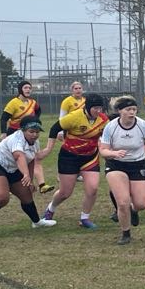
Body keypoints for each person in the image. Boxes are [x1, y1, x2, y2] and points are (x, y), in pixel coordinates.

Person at [0, 116, 57, 239]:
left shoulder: (35, 143)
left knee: (26, 195)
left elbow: (31, 160)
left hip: (13, 168)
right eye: (31, 131)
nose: (34, 135)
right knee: (2, 197)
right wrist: (25, 175)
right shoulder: (16, 139)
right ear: (23, 130)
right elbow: (19, 156)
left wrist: (30, 179)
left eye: (37, 132)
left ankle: (37, 222)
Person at [98, 96, 145, 245]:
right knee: (122, 202)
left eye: (134, 109)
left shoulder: (143, 125)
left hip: (138, 164)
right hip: (116, 164)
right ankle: (125, 233)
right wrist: (114, 153)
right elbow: (103, 151)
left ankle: (133, 210)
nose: (132, 112)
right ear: (120, 111)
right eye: (128, 109)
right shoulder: (111, 127)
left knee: (141, 204)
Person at [40, 94, 109, 229]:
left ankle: (84, 218)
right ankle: (50, 209)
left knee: (93, 189)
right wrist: (48, 148)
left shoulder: (104, 120)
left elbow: (107, 136)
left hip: (90, 157)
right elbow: (55, 128)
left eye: (100, 108)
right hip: (69, 157)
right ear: (88, 107)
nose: (98, 111)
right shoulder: (74, 117)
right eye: (95, 108)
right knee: (65, 192)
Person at [0, 81, 54, 192]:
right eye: (25, 88)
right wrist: (3, 133)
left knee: (34, 158)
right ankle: (9, 185)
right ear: (20, 89)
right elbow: (3, 118)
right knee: (13, 161)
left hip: (29, 134)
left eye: (29, 88)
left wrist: (35, 121)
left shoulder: (33, 102)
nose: (28, 90)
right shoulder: (14, 103)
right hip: (14, 133)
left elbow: (38, 110)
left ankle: (41, 185)